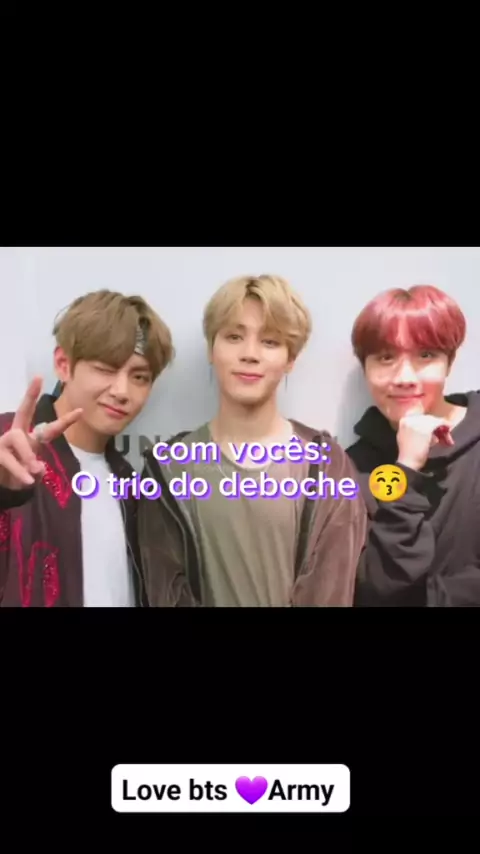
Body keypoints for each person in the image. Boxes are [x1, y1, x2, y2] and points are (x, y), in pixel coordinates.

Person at [138, 274, 366, 607]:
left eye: (270, 341)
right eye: (234, 337)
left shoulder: (327, 465)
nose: (250, 354)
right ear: (211, 349)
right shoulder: (168, 468)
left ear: (291, 359)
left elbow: (330, 592)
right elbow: (165, 591)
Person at [0, 289, 174, 607]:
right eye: (106, 369)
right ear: (63, 364)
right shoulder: (8, 446)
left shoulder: (130, 483)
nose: (121, 391)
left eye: (139, 377)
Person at [346, 283, 480, 606]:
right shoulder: (352, 468)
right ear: (366, 368)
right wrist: (405, 468)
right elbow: (377, 586)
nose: (405, 377)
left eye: (425, 355)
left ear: (449, 362)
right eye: (386, 357)